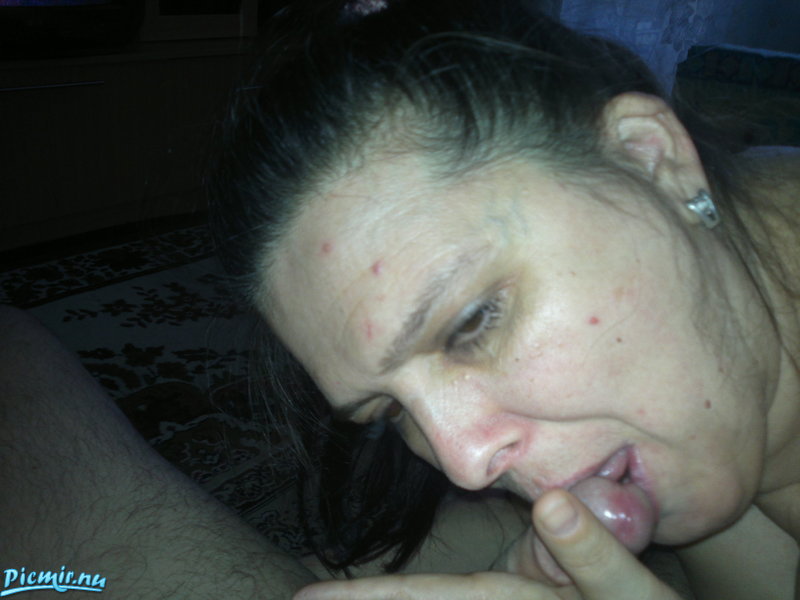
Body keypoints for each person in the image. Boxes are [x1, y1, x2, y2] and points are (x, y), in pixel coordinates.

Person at [208, 0, 800, 598]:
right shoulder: (705, 393)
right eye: (390, 413)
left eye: (473, 323)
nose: (465, 465)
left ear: (651, 159)